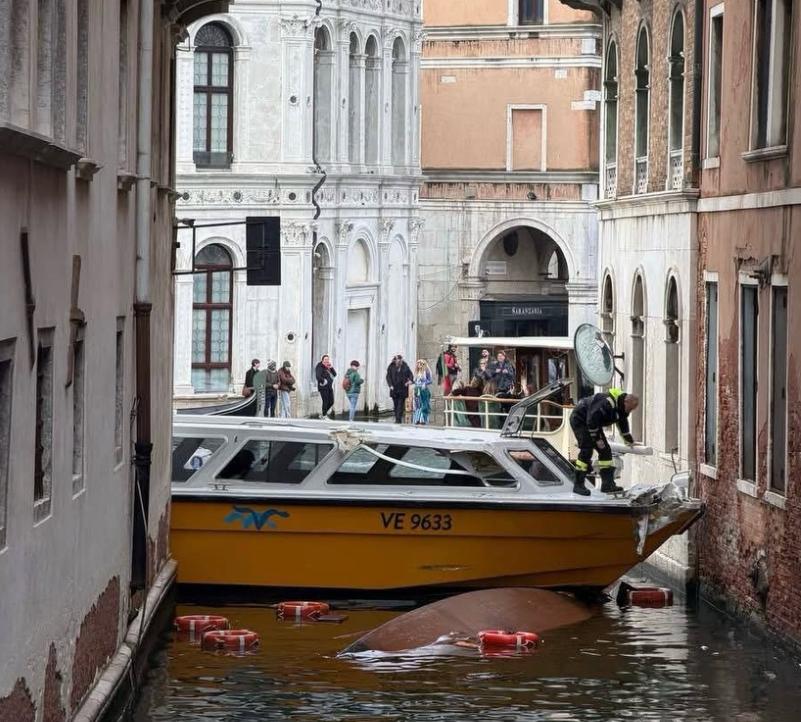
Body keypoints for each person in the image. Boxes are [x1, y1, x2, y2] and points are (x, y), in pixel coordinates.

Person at [570, 388, 639, 496]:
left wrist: (629, 440)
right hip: (580, 420)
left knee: (605, 451)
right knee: (587, 450)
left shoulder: (622, 407)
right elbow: (591, 421)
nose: (629, 411)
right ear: (625, 401)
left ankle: (607, 485)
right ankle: (578, 485)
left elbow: (622, 423)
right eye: (629, 408)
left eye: (631, 410)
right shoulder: (607, 403)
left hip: (594, 424)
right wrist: (597, 439)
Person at [386, 354, 413, 423]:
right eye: (396, 359)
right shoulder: (391, 367)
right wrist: (390, 385)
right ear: (394, 360)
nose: (398, 361)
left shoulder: (405, 366)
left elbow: (410, 374)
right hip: (394, 388)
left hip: (403, 388)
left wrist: (409, 381)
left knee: (400, 404)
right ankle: (397, 417)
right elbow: (388, 377)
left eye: (399, 359)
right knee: (395, 404)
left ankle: (398, 419)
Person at [315, 354, 337, 418]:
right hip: (323, 387)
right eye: (325, 359)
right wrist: (323, 381)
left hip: (329, 387)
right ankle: (324, 415)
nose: (326, 361)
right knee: (325, 401)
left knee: (331, 401)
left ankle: (323, 414)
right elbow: (318, 376)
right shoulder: (319, 367)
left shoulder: (328, 367)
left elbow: (335, 374)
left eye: (327, 359)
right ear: (322, 360)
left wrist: (331, 367)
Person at [412, 359, 433, 425]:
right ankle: (417, 419)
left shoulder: (426, 372)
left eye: (421, 364)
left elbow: (430, 380)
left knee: (424, 405)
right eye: (418, 364)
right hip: (417, 390)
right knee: (418, 405)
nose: (419, 365)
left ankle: (423, 419)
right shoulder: (416, 372)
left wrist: (424, 383)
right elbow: (414, 381)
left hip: (423, 390)